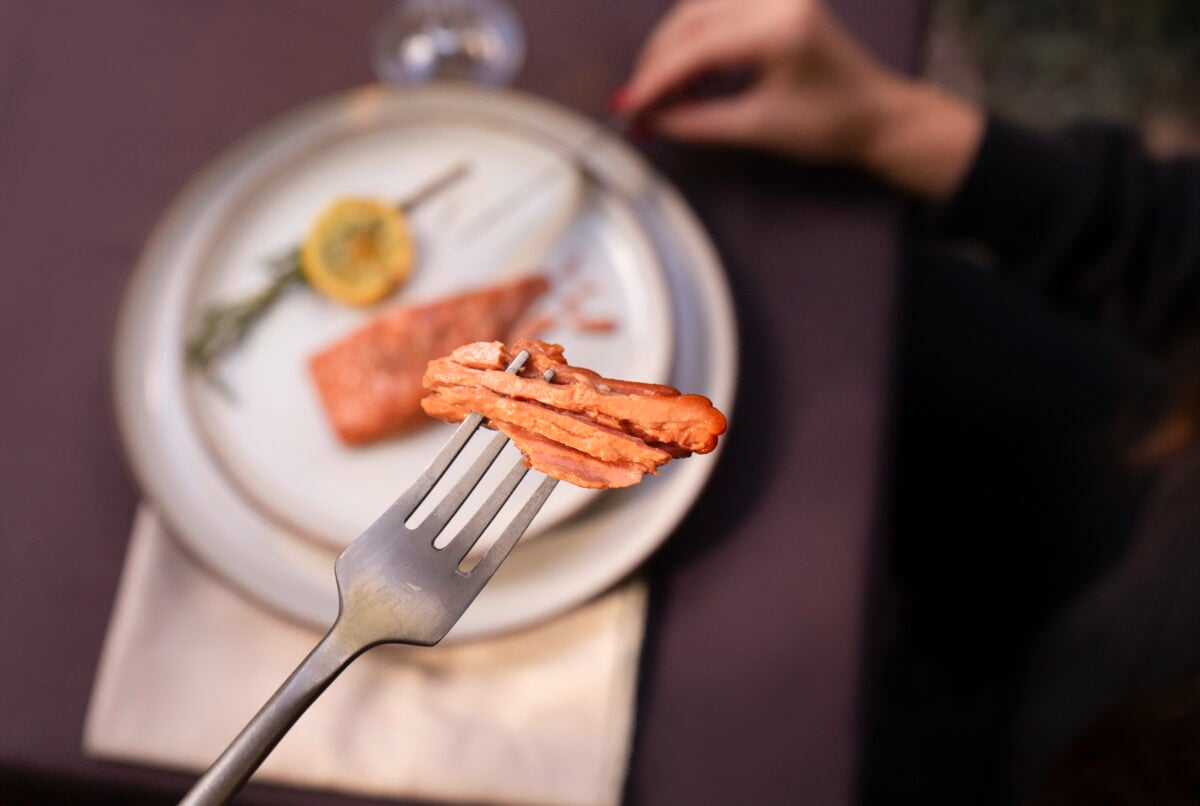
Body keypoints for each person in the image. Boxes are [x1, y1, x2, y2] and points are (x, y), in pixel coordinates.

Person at [618, 1, 1200, 803]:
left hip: (1074, 759)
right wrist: (888, 123)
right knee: (797, 294)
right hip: (1151, 459)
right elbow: (1174, 236)